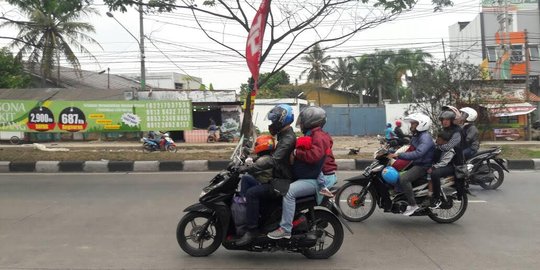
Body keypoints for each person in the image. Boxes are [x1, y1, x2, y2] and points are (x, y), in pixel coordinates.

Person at [267, 106, 337, 240]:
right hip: (316, 174)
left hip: (322, 177)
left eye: (304, 121)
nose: (302, 124)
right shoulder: (314, 134)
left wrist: (296, 153)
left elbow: (314, 156)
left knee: (289, 192)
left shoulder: (319, 136)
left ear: (311, 121)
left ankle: (285, 229)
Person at [235, 104, 296, 246]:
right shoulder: (283, 136)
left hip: (281, 182)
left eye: (274, 121)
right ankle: (250, 214)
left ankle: (252, 230)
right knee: (247, 180)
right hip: (276, 177)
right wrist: (251, 160)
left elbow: (274, 160)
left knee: (251, 193)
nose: (272, 124)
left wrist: (251, 167)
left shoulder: (287, 139)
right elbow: (268, 154)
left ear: (282, 121)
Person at [387, 113, 434, 216]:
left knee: (404, 178)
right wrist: (394, 151)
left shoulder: (425, 137)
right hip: (417, 162)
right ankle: (402, 195)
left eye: (413, 123)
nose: (411, 125)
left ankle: (413, 205)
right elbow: (409, 148)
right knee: (397, 172)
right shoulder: (417, 136)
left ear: (421, 124)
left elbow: (418, 153)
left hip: (423, 165)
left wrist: (399, 155)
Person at [431, 105, 465, 204]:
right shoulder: (445, 130)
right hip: (444, 160)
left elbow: (448, 147)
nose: (445, 121)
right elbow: (438, 142)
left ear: (452, 120)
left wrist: (437, 146)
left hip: (454, 163)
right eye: (443, 119)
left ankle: (436, 197)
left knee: (435, 173)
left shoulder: (457, 132)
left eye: (447, 119)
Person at [238, 135, 276, 200]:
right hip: (263, 180)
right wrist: (247, 158)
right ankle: (243, 197)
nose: (255, 146)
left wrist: (243, 168)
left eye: (256, 144)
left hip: (263, 182)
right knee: (247, 177)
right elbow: (256, 159)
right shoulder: (266, 156)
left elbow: (255, 166)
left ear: (262, 145)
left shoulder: (266, 159)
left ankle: (243, 199)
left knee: (245, 177)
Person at [426, 129, 456, 209]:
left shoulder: (450, 150)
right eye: (437, 138)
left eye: (439, 139)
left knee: (434, 174)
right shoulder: (438, 147)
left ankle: (436, 198)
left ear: (445, 141)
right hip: (439, 165)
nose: (437, 140)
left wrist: (433, 167)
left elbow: (444, 163)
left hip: (449, 167)